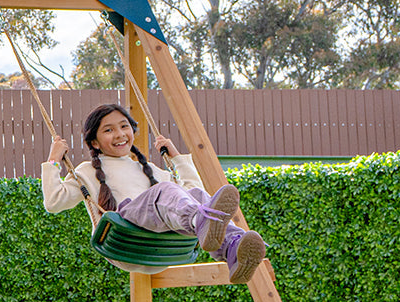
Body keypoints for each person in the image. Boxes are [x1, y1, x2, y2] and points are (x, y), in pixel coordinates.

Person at [40, 103, 268, 283]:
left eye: (124, 126)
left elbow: (191, 191)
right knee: (168, 191)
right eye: (108, 130)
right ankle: (202, 222)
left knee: (196, 196)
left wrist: (177, 158)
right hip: (125, 237)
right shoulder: (87, 170)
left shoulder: (150, 170)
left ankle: (233, 249)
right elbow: (53, 202)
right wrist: (53, 160)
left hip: (161, 244)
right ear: (95, 142)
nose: (119, 134)